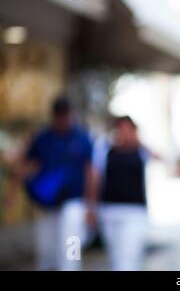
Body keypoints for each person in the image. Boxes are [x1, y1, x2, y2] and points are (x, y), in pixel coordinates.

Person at [24, 97, 94, 271]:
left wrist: (90, 205)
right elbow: (28, 165)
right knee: (46, 250)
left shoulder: (82, 137)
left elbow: (91, 172)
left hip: (73, 201)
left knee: (71, 247)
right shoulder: (43, 137)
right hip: (47, 203)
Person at [91, 116, 158, 271]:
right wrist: (92, 207)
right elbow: (95, 178)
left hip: (135, 212)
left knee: (129, 256)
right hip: (109, 210)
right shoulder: (105, 149)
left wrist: (138, 142)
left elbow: (160, 159)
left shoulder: (141, 151)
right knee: (116, 258)